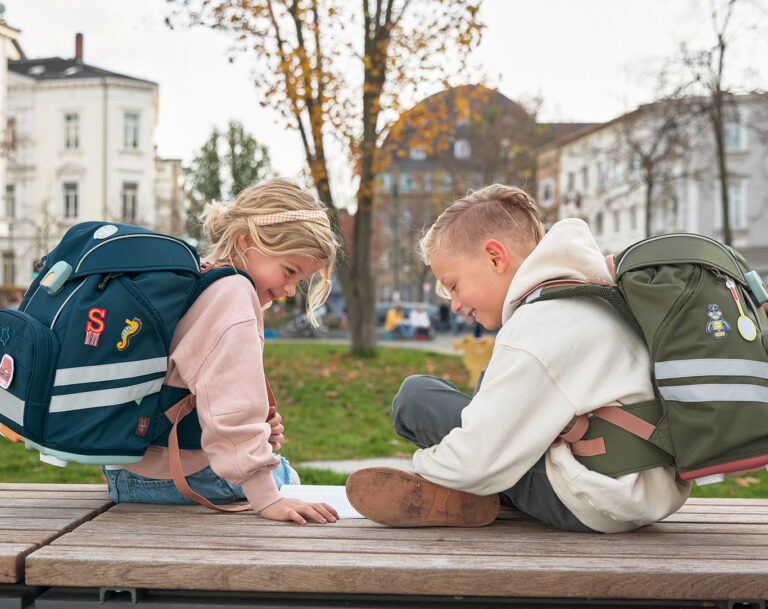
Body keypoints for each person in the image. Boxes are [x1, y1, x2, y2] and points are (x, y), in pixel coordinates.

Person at [346, 184, 690, 533]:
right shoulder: (595, 293)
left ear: (495, 257)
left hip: (591, 500)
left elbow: (477, 460)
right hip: (638, 491)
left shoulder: (538, 325)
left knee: (415, 398)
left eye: (452, 285)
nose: (455, 304)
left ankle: (456, 491)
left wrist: (419, 469)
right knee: (485, 383)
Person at [103, 178, 341, 525]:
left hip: (126, 471)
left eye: (300, 280)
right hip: (179, 479)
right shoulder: (233, 293)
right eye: (290, 271)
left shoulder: (195, 278)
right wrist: (266, 496)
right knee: (287, 479)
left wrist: (256, 432)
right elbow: (233, 407)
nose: (290, 289)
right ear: (247, 241)